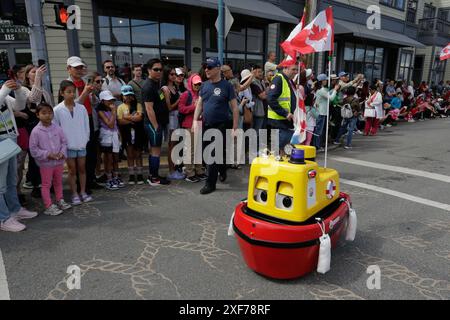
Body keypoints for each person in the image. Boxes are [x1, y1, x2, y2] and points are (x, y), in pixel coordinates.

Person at [193, 57, 239, 195]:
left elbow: (235, 108)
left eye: (210, 67)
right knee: (209, 154)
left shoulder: (227, 86)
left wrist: (235, 129)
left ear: (218, 69)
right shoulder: (205, 85)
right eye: (205, 67)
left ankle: (210, 184)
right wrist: (195, 121)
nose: (206, 70)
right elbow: (200, 104)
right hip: (207, 124)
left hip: (222, 125)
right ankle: (222, 168)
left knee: (212, 154)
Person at [0, 80, 38, 232]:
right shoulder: (2, 93)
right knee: (0, 184)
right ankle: (3, 218)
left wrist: (18, 90)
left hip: (9, 140)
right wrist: (4, 89)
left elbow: (19, 106)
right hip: (1, 143)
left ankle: (15, 209)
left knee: (11, 179)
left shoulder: (4, 96)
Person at [53, 80, 92, 205]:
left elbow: (87, 126)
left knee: (82, 168)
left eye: (73, 92)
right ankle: (74, 193)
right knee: (72, 170)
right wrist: (61, 145)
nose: (72, 94)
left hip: (81, 143)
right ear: (62, 93)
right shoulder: (57, 110)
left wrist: (85, 139)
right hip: (68, 145)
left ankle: (83, 191)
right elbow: (56, 129)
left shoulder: (81, 108)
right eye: (68, 92)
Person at [29, 103, 72, 216]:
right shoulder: (36, 131)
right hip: (45, 164)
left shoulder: (57, 128)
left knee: (58, 182)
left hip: (58, 162)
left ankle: (60, 200)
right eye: (44, 113)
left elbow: (64, 142)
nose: (48, 115)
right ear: (37, 115)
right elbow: (33, 149)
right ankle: (48, 206)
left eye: (50, 112)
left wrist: (62, 152)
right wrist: (47, 154)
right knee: (46, 184)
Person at [17, 64, 51, 203]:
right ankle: (36, 185)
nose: (36, 73)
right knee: (34, 157)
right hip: (31, 127)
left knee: (45, 155)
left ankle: (46, 183)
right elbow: (33, 99)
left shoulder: (44, 90)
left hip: (44, 126)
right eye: (33, 71)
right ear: (27, 75)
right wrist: (37, 78)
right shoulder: (23, 89)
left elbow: (48, 105)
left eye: (37, 71)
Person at [66, 56, 100, 192]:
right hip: (76, 122)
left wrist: (92, 95)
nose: (79, 70)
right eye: (76, 68)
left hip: (89, 118)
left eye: (81, 67)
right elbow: (72, 105)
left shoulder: (85, 82)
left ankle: (90, 180)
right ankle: (80, 185)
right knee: (80, 154)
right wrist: (86, 93)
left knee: (91, 151)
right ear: (69, 69)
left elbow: (94, 103)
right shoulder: (66, 84)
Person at [142, 58, 170, 186]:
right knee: (156, 151)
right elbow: (149, 108)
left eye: (160, 69)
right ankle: (153, 177)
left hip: (159, 123)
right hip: (153, 124)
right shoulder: (148, 86)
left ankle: (154, 175)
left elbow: (161, 100)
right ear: (149, 70)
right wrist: (156, 126)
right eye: (156, 69)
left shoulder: (156, 84)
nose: (159, 71)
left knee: (155, 150)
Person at [179, 74, 206, 183]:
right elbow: (181, 109)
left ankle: (199, 171)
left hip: (200, 124)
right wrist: (194, 107)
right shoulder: (186, 94)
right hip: (189, 125)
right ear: (191, 83)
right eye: (196, 84)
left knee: (198, 149)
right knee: (190, 150)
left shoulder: (201, 94)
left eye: (199, 83)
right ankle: (190, 173)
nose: (197, 85)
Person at [267, 63, 299, 153]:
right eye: (293, 69)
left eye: (296, 70)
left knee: (283, 148)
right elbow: (270, 99)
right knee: (280, 149)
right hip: (279, 120)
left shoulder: (288, 80)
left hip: (285, 120)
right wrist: (285, 113)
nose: (296, 72)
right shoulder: (279, 79)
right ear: (285, 68)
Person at [117, 85, 145, 185]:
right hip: (127, 134)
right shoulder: (120, 107)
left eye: (129, 95)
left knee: (138, 154)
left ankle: (140, 174)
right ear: (122, 96)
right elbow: (120, 121)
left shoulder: (138, 105)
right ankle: (132, 175)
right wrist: (132, 119)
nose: (128, 97)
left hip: (138, 133)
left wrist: (127, 117)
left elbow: (139, 118)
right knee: (130, 154)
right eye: (126, 95)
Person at [97, 90, 124, 190]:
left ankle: (115, 176)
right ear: (102, 101)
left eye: (111, 100)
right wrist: (113, 112)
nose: (111, 102)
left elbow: (115, 125)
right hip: (106, 136)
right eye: (108, 100)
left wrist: (120, 136)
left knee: (116, 157)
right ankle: (109, 179)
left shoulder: (112, 109)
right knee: (108, 158)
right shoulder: (101, 111)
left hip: (115, 135)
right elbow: (110, 124)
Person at [161, 66, 184, 181]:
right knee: (172, 145)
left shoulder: (175, 87)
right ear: (167, 75)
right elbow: (168, 107)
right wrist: (180, 100)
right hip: (171, 118)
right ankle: (171, 171)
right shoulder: (165, 88)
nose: (174, 76)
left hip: (177, 117)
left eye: (175, 74)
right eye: (171, 74)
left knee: (175, 145)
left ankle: (175, 169)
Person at [313, 74, 339, 151]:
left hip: (322, 112)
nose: (326, 81)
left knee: (320, 130)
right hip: (321, 113)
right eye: (325, 80)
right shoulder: (321, 90)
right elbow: (331, 98)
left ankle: (318, 145)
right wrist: (335, 89)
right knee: (319, 131)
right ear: (322, 81)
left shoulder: (321, 89)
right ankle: (317, 146)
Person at [250, 65, 267, 132]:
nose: (261, 74)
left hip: (264, 111)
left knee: (263, 132)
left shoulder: (262, 82)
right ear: (254, 72)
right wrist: (269, 89)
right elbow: (262, 96)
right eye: (259, 72)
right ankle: (255, 143)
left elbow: (265, 95)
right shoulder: (253, 82)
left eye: (261, 72)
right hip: (258, 112)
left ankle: (260, 142)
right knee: (256, 132)